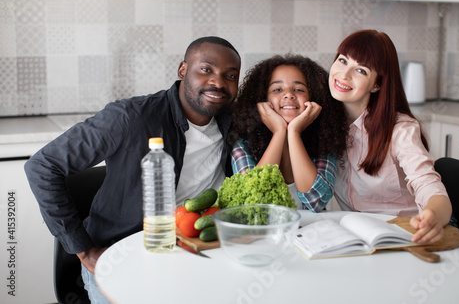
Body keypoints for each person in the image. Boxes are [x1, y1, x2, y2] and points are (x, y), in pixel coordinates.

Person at [24, 36, 241, 303]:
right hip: (120, 255)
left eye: (230, 75)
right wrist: (84, 251)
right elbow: (42, 166)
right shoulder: (130, 117)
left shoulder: (236, 123)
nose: (218, 82)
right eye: (206, 70)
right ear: (183, 70)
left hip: (195, 251)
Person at [328, 29, 452, 244]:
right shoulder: (324, 124)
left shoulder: (400, 129)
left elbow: (428, 185)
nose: (344, 75)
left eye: (361, 70)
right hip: (360, 237)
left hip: (410, 234)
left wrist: (432, 217)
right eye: (342, 60)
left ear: (377, 84)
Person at [229, 54, 348, 212]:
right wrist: (279, 132)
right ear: (263, 99)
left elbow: (317, 202)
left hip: (311, 233)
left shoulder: (325, 143)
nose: (288, 94)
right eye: (277, 89)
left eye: (298, 89)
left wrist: (293, 132)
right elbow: (252, 203)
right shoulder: (244, 146)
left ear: (314, 98)